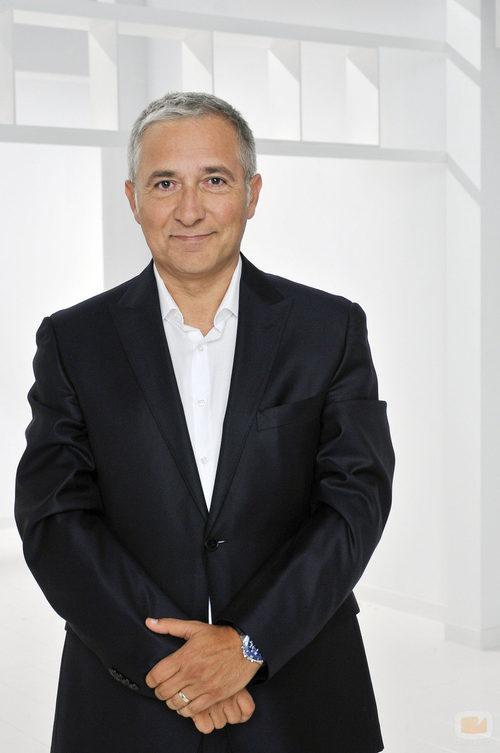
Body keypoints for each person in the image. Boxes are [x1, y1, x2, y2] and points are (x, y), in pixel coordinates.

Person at [15, 92, 395, 753]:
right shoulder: (74, 341)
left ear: (252, 193)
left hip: (300, 698)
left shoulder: (329, 329)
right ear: (133, 198)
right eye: (165, 183)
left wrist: (249, 645)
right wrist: (180, 670)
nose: (188, 209)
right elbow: (54, 516)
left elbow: (354, 502)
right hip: (128, 700)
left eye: (214, 180)